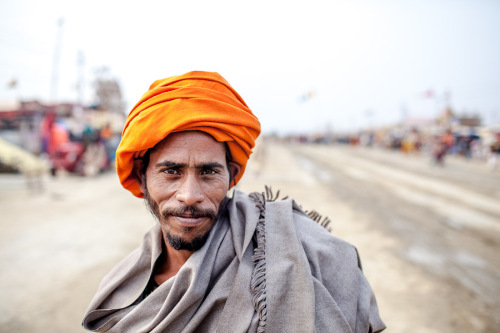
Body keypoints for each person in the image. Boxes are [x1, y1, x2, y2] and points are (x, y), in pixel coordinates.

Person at [82, 71, 386, 332]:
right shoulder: (122, 291)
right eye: (171, 171)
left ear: (233, 175)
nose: (190, 195)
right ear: (142, 175)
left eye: (209, 172)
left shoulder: (305, 251)